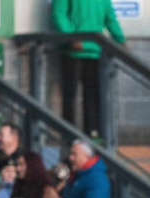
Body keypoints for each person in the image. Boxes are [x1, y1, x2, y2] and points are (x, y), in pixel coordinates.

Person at [51, 0, 125, 137]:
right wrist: (72, 38)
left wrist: (120, 39)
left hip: (93, 52)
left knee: (90, 96)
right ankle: (72, 137)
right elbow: (58, 14)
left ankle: (89, 135)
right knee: (72, 97)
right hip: (74, 52)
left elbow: (110, 18)